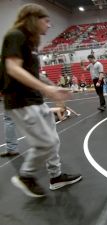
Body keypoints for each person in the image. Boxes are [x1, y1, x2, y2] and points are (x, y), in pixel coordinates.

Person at [1, 3, 81, 197]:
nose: (50, 25)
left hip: (36, 100)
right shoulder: (15, 36)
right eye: (46, 20)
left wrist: (53, 87)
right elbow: (13, 68)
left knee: (53, 140)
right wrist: (46, 89)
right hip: (22, 101)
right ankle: (26, 176)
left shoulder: (30, 43)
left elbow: (34, 74)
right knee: (47, 143)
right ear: (33, 19)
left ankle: (56, 176)